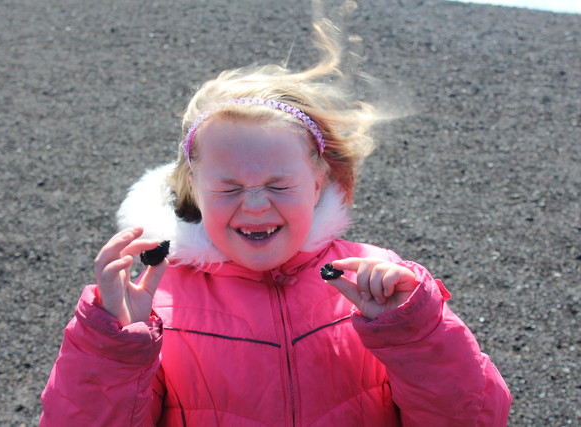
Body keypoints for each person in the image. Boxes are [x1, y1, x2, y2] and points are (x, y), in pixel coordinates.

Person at [40, 13, 511, 427]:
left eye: (279, 185)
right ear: (194, 191)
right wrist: (114, 346)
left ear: (322, 181)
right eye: (228, 189)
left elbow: (477, 417)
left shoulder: (382, 283)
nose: (257, 205)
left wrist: (415, 333)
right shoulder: (151, 304)